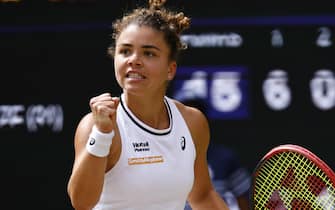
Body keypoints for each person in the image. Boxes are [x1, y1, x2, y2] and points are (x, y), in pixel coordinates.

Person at [67, 0, 229, 209]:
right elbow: (81, 202)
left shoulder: (192, 122)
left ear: (170, 70)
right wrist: (102, 134)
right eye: (125, 51)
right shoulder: (95, 125)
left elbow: (202, 195)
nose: (134, 60)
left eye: (149, 53)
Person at [181, 99, 251, 210]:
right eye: (183, 121)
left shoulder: (225, 158)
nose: (187, 126)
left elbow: (243, 199)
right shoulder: (165, 159)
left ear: (204, 123)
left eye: (192, 121)